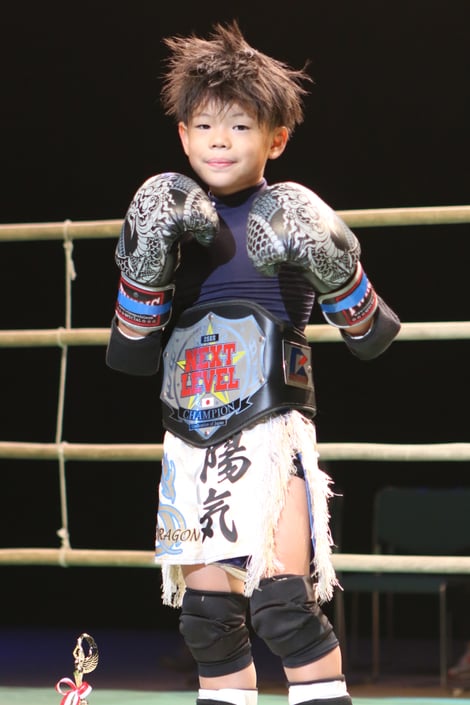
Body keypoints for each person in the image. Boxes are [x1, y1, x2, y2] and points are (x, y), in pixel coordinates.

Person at [106, 20, 401, 705]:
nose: (220, 140)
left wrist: (333, 259)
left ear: (276, 138)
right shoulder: (170, 215)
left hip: (270, 432)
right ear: (183, 136)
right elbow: (130, 354)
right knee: (208, 622)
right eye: (206, 125)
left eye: (240, 126)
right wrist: (147, 261)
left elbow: (371, 335)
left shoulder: (290, 210)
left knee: (283, 607)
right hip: (191, 437)